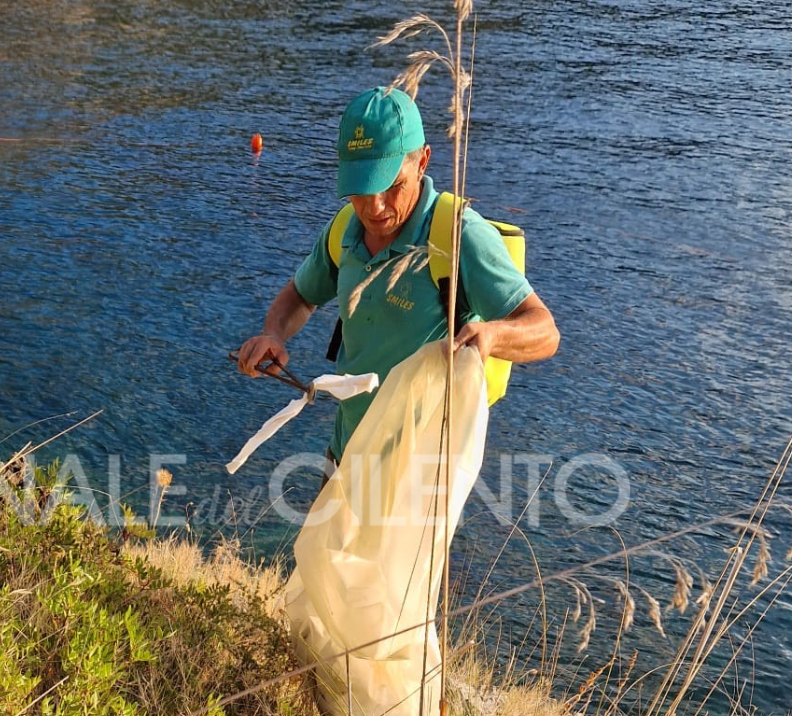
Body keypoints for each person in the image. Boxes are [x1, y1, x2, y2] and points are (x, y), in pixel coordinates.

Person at [236, 86, 560, 466]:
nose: (374, 207)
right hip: (345, 454)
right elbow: (300, 296)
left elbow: (545, 331)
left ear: (422, 162)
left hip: (419, 474)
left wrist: (493, 334)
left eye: (391, 185)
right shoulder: (344, 229)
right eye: (360, 187)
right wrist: (273, 333)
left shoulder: (460, 236)